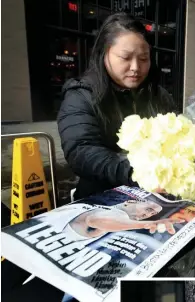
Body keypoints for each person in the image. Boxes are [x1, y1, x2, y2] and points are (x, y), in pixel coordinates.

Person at [57, 12, 178, 201]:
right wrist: (140, 173)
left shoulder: (158, 95)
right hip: (102, 199)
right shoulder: (81, 95)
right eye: (125, 57)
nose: (136, 67)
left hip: (159, 197)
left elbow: (180, 135)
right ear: (104, 53)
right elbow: (81, 151)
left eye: (144, 59)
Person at [38, 199, 184, 241]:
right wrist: (150, 223)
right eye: (149, 209)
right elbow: (94, 219)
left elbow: (95, 221)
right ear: (131, 201)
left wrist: (148, 223)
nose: (149, 214)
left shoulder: (118, 217)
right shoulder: (113, 212)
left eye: (152, 214)